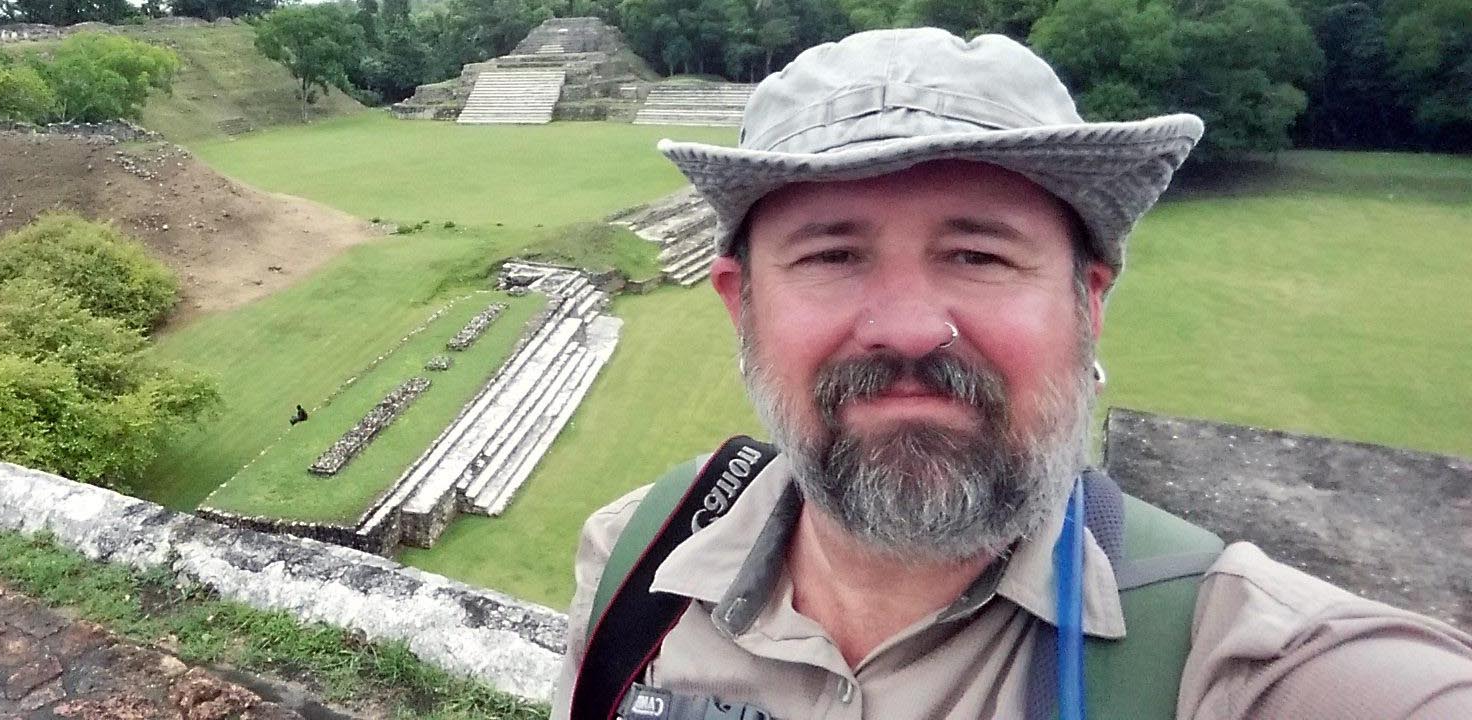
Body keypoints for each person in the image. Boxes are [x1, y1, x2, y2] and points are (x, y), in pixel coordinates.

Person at [553, 28, 1472, 720]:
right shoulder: (634, 562)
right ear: (740, 305)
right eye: (832, 255)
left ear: (1088, 305)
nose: (909, 328)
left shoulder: (1242, 663)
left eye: (980, 254)